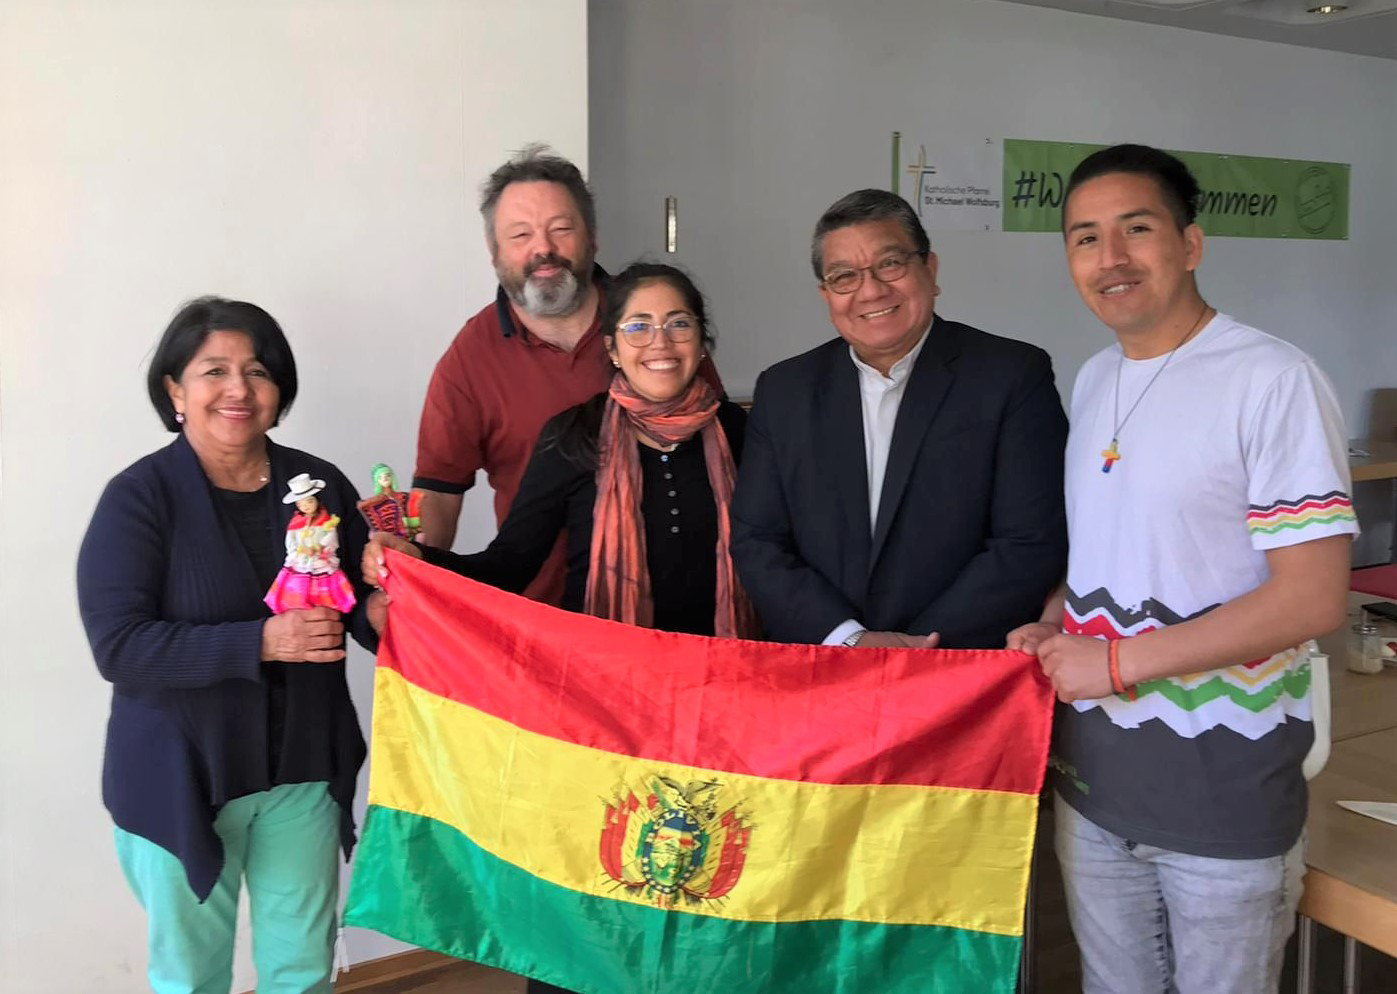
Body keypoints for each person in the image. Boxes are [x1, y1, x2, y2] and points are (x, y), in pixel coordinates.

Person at [1006, 144, 1357, 994]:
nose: (1110, 257)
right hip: (1094, 789)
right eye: (1084, 238)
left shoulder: (1271, 379)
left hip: (1220, 797)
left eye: (1136, 229)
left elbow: (1311, 598)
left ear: (1190, 243)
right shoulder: (1093, 379)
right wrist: (1055, 619)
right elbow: (1106, 548)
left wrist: (1117, 662)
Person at [368, 264, 755, 994]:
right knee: (593, 895)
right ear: (611, 345)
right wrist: (420, 570)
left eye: (677, 323)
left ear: (702, 338)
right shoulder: (572, 438)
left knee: (709, 901)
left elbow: (779, 562)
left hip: (724, 707)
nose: (659, 342)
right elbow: (512, 563)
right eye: (637, 325)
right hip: (603, 712)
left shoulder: (747, 434)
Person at [76, 297, 378, 994]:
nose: (239, 388)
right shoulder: (139, 498)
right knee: (192, 978)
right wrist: (261, 642)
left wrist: (389, 607)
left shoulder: (318, 485)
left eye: (257, 371)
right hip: (182, 775)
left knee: (300, 971)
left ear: (279, 391)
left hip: (302, 770)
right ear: (175, 391)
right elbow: (118, 646)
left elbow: (356, 608)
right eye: (214, 371)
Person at [731, 188, 1068, 650]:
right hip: (823, 662)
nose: (870, 290)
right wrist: (851, 639)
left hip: (962, 666)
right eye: (844, 276)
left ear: (930, 270)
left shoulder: (1011, 375)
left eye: (890, 264)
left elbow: (1029, 541)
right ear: (826, 295)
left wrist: (919, 646)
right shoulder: (785, 390)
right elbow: (758, 542)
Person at [410, 144, 616, 607]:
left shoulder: (652, 327)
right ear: (494, 251)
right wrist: (411, 585)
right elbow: (437, 494)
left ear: (592, 237)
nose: (543, 248)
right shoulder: (469, 357)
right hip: (539, 617)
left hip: (667, 621)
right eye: (520, 234)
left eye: (561, 229)